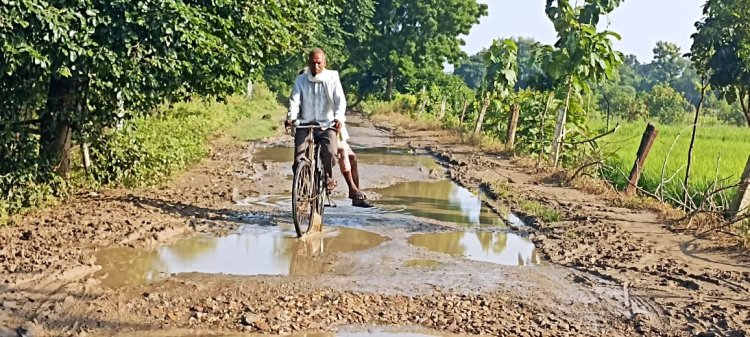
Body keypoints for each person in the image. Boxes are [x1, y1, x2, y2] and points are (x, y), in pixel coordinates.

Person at [285, 48, 345, 192]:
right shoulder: (301, 80)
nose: (315, 67)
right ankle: (305, 189)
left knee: (330, 152)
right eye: (312, 63)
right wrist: (291, 117)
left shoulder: (333, 77)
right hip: (305, 124)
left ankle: (328, 178)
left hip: (327, 124)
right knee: (299, 157)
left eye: (319, 63)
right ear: (308, 63)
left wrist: (338, 117)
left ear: (324, 62)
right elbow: (294, 101)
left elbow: (340, 100)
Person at [337, 124, 373, 208]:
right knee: (343, 153)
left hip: (334, 129)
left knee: (352, 157)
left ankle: (355, 194)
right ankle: (352, 188)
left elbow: (339, 113)